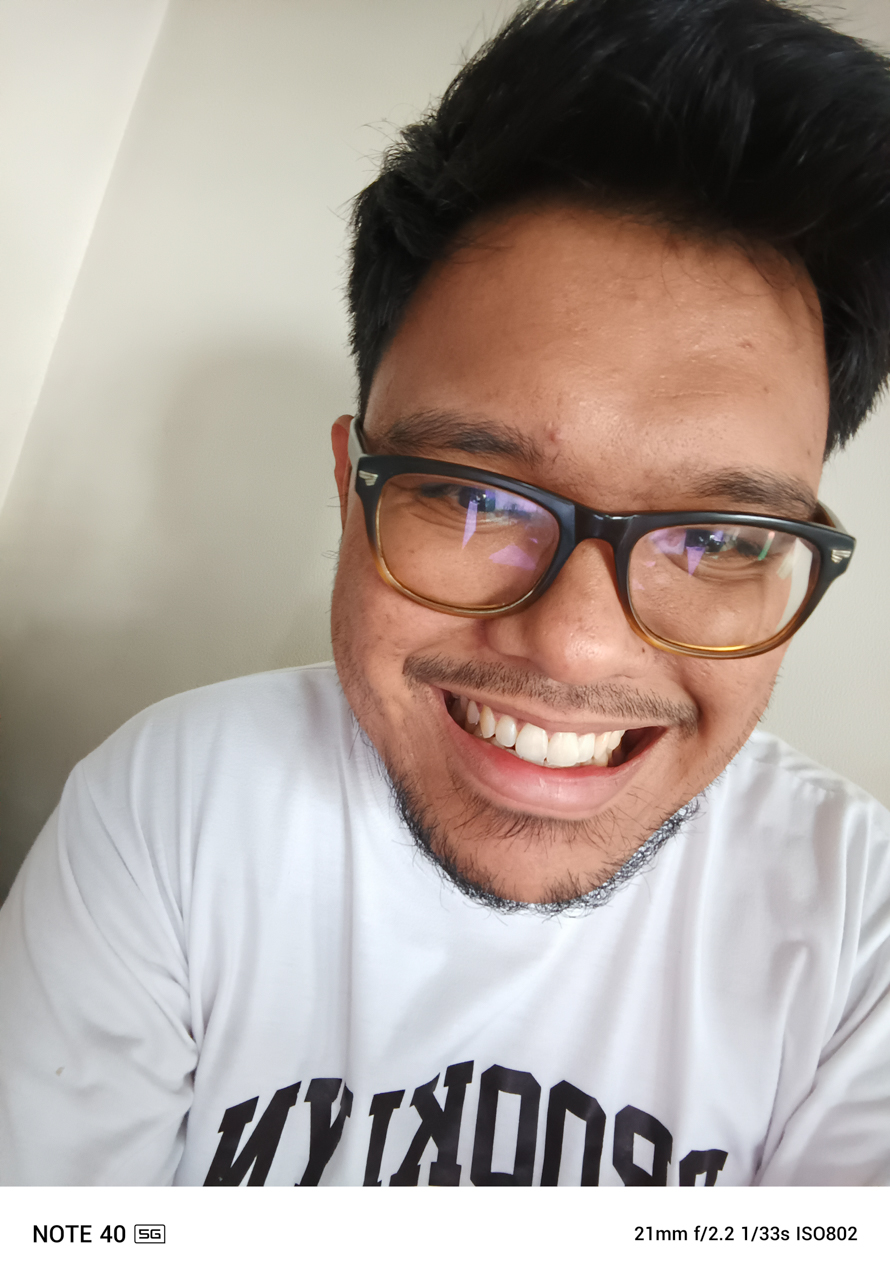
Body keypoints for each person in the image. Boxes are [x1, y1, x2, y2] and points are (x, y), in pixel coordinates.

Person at [2, 0, 890, 1188]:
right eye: (475, 496)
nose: (575, 646)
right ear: (349, 490)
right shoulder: (172, 805)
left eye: (717, 537)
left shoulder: (858, 928)